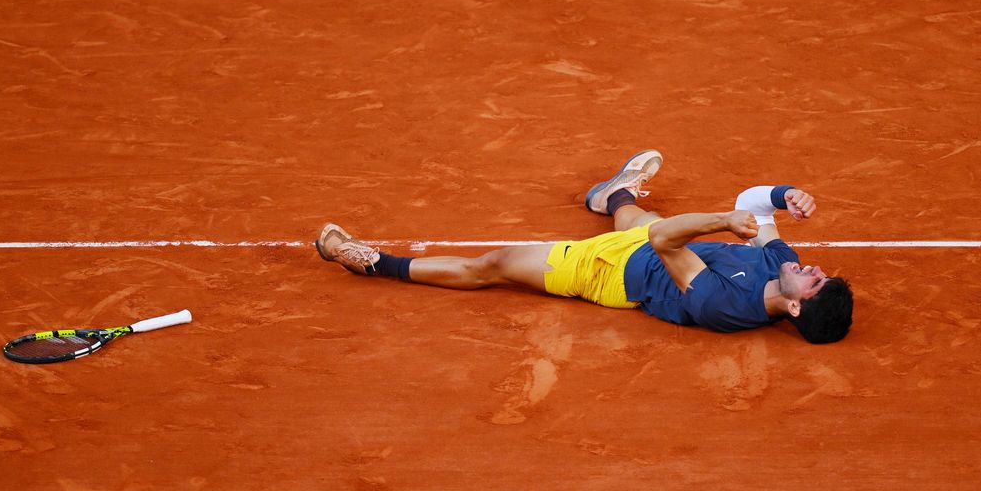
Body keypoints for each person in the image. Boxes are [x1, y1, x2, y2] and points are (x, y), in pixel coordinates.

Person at [316, 150, 853, 343]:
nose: (815, 267)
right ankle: (612, 193)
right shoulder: (783, 264)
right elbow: (754, 204)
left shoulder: (723, 306)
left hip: (609, 275)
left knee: (495, 265)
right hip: (647, 243)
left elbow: (667, 240)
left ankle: (374, 263)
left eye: (816, 280)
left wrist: (719, 219)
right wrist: (785, 196)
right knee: (636, 214)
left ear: (797, 305)